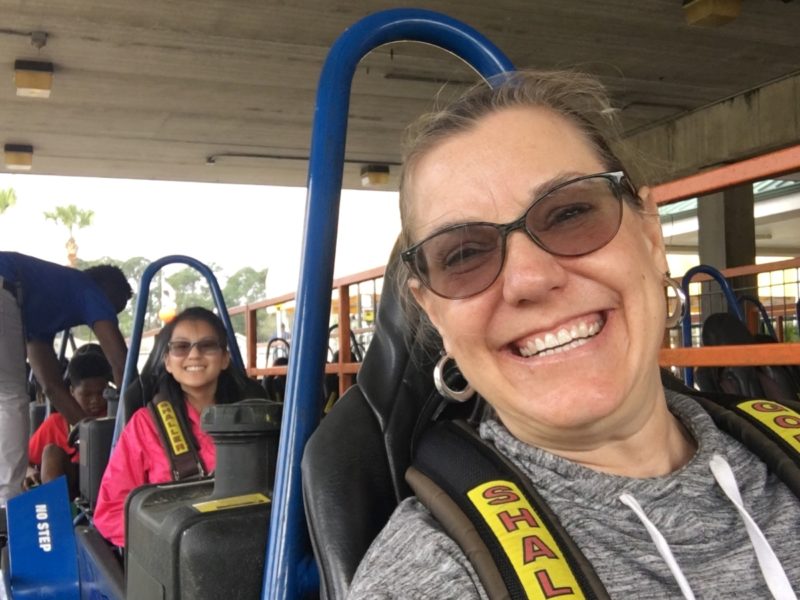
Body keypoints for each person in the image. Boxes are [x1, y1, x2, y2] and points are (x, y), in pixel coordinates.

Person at [347, 71, 800, 598]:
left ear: (651, 236)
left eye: (569, 214)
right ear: (436, 316)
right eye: (464, 255)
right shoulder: (432, 576)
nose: (530, 279)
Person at [93, 306, 243, 547]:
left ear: (224, 358)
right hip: (178, 559)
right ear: (168, 362)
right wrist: (171, 543)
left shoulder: (252, 419)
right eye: (181, 347)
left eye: (207, 345)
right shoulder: (145, 425)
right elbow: (110, 512)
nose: (194, 355)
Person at [0, 252, 132, 506]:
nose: (110, 315)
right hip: (3, 284)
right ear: (108, 290)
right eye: (114, 308)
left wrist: (91, 433)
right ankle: (6, 504)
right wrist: (136, 425)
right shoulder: (88, 288)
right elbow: (120, 363)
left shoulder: (38, 317)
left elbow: (52, 386)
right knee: (9, 396)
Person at [26, 350, 112, 496]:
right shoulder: (56, 423)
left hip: (105, 480)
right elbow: (26, 461)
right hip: (68, 484)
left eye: (100, 393)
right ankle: (54, 510)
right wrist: (30, 471)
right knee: (51, 452)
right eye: (87, 395)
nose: (95, 400)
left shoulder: (113, 419)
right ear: (71, 391)